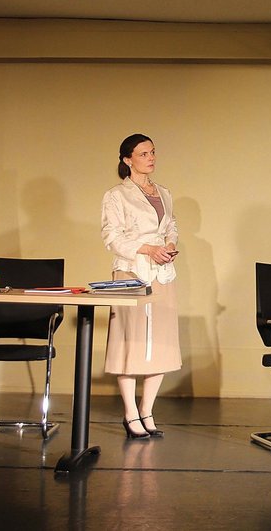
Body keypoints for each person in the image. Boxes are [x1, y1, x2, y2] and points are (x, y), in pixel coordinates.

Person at [101, 134, 182, 440]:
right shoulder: (116, 195)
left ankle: (147, 410)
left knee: (161, 342)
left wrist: (170, 244)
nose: (151, 158)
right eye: (143, 153)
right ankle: (130, 412)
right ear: (128, 160)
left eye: (152, 152)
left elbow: (171, 225)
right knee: (129, 340)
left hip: (162, 274)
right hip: (132, 272)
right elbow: (112, 237)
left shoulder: (164, 192)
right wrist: (149, 249)